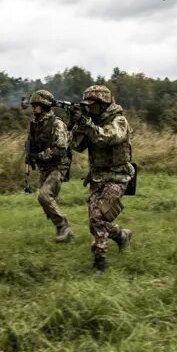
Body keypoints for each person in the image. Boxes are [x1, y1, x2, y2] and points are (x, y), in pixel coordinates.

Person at [70, 85, 134, 272]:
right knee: (97, 222)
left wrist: (86, 124)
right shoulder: (91, 122)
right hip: (97, 179)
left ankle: (100, 263)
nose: (88, 108)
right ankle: (122, 235)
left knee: (98, 218)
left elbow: (106, 137)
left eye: (92, 105)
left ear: (103, 104)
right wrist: (77, 125)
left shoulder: (119, 121)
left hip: (118, 178)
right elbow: (77, 145)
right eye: (86, 105)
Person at [25, 89, 74, 243]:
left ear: (45, 105)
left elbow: (60, 149)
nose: (33, 108)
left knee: (44, 196)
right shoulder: (35, 124)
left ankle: (64, 227)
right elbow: (30, 144)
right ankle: (63, 232)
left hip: (58, 166)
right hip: (44, 167)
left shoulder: (57, 124)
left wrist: (39, 156)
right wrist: (29, 156)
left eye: (36, 105)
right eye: (32, 106)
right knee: (47, 201)